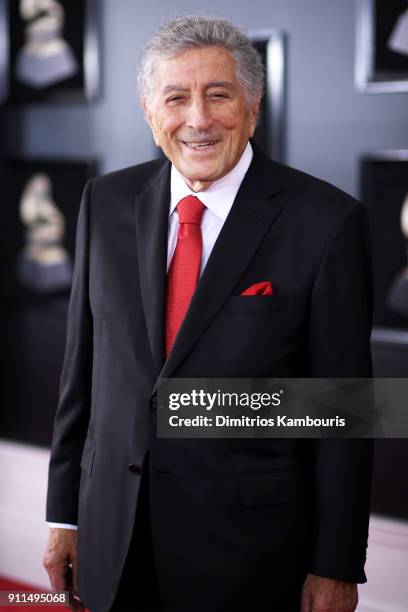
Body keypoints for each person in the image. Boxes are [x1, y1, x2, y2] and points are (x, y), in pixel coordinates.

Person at [43, 15, 373, 612]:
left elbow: (344, 412)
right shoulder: (105, 200)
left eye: (218, 95)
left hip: (250, 552)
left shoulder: (327, 222)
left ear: (253, 107)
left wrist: (336, 561)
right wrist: (63, 513)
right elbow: (83, 378)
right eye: (176, 98)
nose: (197, 119)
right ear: (150, 113)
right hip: (111, 535)